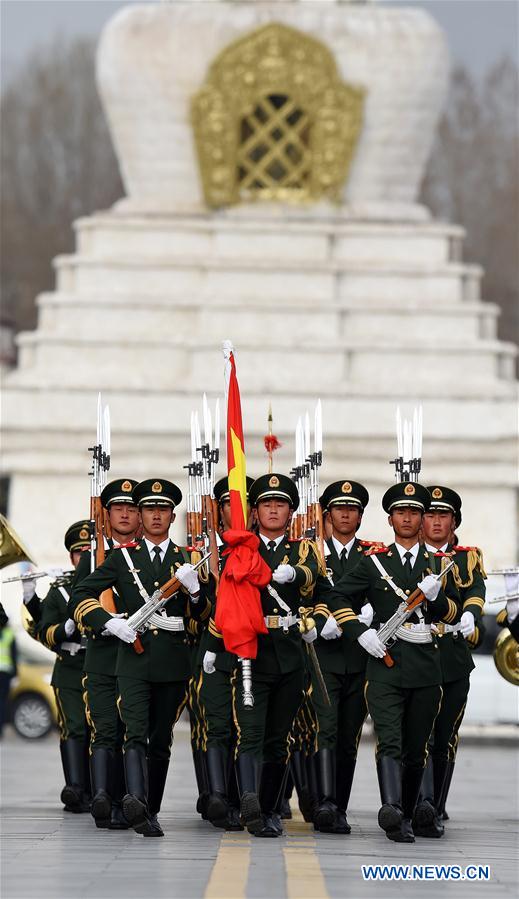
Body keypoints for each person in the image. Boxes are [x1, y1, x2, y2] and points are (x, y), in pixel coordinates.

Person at [70, 478, 211, 837]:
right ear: (141, 515)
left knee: (160, 738)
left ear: (172, 515)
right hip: (132, 660)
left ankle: (151, 807)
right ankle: (134, 801)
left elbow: (202, 618)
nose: (156, 516)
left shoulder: (188, 560)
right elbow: (80, 595)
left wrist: (195, 592)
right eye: (150, 510)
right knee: (134, 733)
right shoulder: (122, 557)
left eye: (163, 510)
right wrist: (109, 622)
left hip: (173, 661)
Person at [325, 481, 460, 843]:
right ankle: (392, 810)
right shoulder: (373, 564)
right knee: (390, 740)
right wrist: (357, 631)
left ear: (421, 519)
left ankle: (411, 809)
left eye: (414, 512)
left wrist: (434, 600)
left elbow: (452, 613)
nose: (407, 518)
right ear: (390, 519)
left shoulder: (440, 564)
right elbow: (337, 595)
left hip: (426, 667)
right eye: (401, 512)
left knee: (418, 747)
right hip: (383, 665)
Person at [204, 473, 322, 838]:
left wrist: (312, 611)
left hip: (289, 651)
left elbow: (324, 590)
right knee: (250, 733)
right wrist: (212, 644)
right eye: (266, 504)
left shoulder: (303, 551)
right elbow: (225, 601)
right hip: (250, 652)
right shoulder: (240, 550)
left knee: (278, 737)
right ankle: (251, 802)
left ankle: (270, 809)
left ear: (290, 512)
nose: (273, 509)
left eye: (280, 504)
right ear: (254, 511)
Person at [415, 484, 486, 836]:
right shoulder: (405, 555)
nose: (436, 522)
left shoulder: (467, 557)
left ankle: (437, 803)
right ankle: (422, 802)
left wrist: (471, 614)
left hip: (453, 657)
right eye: (430, 515)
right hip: (416, 652)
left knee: (445, 734)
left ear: (454, 521)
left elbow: (475, 591)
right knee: (420, 733)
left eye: (443, 515)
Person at [69, 478, 140, 830]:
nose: (125, 514)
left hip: (139, 657)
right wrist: (106, 621)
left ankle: (126, 800)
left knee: (132, 730)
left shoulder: (147, 556)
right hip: (101, 654)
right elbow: (77, 602)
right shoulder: (96, 556)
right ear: (107, 514)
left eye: (131, 508)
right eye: (118, 509)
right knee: (104, 728)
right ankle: (102, 796)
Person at [311, 479, 376, 834]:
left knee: (349, 734)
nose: (346, 514)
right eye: (339, 508)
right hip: (323, 657)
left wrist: (368, 616)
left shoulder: (373, 555)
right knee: (326, 729)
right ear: (328, 514)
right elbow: (303, 593)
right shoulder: (312, 552)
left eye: (352, 509)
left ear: (361, 516)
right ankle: (323, 802)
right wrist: (322, 621)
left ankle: (340, 806)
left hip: (360, 657)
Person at [37, 521, 92, 812]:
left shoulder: (108, 582)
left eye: (88, 550)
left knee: (102, 729)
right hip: (71, 669)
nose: (83, 557)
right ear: (71, 558)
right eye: (78, 552)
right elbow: (44, 629)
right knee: (74, 728)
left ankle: (100, 788)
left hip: (101, 668)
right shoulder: (59, 592)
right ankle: (75, 787)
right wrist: (65, 629)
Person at [0, 604, 17, 738]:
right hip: (5, 673)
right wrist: (15, 675)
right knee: (3, 702)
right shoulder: (9, 634)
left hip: (4, 672)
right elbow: (14, 656)